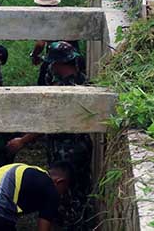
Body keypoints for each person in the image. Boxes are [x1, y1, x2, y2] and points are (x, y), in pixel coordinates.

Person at [6, 42, 93, 229]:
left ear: (59, 64)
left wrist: (22, 140)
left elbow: (49, 121)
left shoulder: (62, 90)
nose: (51, 66)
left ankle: (67, 223)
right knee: (79, 189)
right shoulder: (85, 81)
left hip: (65, 151)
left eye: (53, 63)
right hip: (81, 146)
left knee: (63, 192)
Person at [0, 162, 72, 231]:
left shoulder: (27, 170)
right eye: (64, 190)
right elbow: (43, 228)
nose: (62, 195)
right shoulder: (51, 189)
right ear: (61, 181)